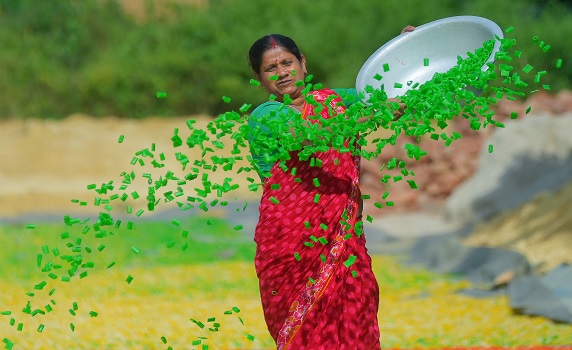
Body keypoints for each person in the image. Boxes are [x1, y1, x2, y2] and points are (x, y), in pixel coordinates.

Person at [247, 30, 411, 349]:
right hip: (291, 241)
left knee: (357, 310)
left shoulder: (334, 101)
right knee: (306, 330)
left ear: (303, 63)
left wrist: (405, 51)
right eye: (271, 68)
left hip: (343, 234)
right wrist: (370, 116)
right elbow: (310, 138)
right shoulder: (265, 116)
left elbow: (385, 91)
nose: (282, 72)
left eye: (287, 62)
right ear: (258, 77)